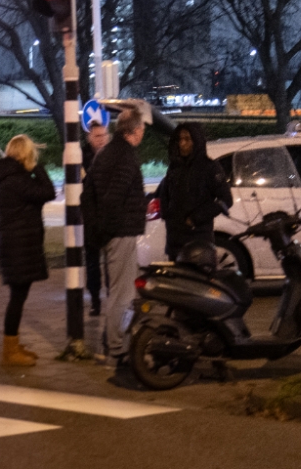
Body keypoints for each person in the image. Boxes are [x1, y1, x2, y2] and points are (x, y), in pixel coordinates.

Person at [83, 106, 146, 366]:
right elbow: (113, 198)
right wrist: (109, 230)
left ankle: (114, 342)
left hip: (110, 232)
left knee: (121, 291)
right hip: (120, 232)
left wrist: (97, 232)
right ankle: (116, 347)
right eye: (142, 129)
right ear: (135, 130)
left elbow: (88, 196)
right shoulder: (124, 156)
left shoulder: (105, 154)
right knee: (122, 293)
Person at [0, 134, 56, 367]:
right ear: (26, 154)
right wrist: (38, 169)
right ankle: (9, 351)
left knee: (18, 296)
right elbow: (48, 192)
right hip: (18, 246)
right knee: (17, 298)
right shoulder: (18, 179)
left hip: (9, 243)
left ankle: (13, 344)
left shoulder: (2, 177)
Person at [156, 122, 233, 262]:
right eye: (179, 139)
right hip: (175, 241)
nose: (182, 143)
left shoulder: (210, 168)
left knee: (198, 282)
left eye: (187, 139)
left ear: (196, 141)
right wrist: (166, 214)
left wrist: (195, 219)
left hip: (198, 241)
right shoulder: (175, 167)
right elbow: (164, 192)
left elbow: (226, 199)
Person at [80, 120, 110, 316]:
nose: (101, 140)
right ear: (90, 137)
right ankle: (95, 299)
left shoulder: (112, 155)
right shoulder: (82, 157)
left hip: (108, 215)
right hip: (90, 216)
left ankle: (112, 295)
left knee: (110, 260)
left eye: (103, 136)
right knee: (92, 261)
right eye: (97, 136)